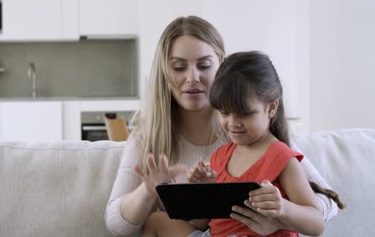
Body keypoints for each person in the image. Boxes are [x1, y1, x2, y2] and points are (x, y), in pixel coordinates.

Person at [105, 16, 339, 237]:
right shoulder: (214, 154)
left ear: (222, 66)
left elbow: (327, 204)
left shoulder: (267, 143)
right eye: (179, 67)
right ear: (164, 72)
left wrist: (281, 215)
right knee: (157, 220)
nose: (192, 77)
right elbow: (200, 223)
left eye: (204, 65)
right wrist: (152, 192)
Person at [142, 51, 346, 237]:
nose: (232, 123)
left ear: (271, 108)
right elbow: (203, 224)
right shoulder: (220, 155)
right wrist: (201, 190)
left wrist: (283, 208)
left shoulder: (282, 157)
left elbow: (317, 224)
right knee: (155, 221)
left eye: (245, 113)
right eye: (224, 113)